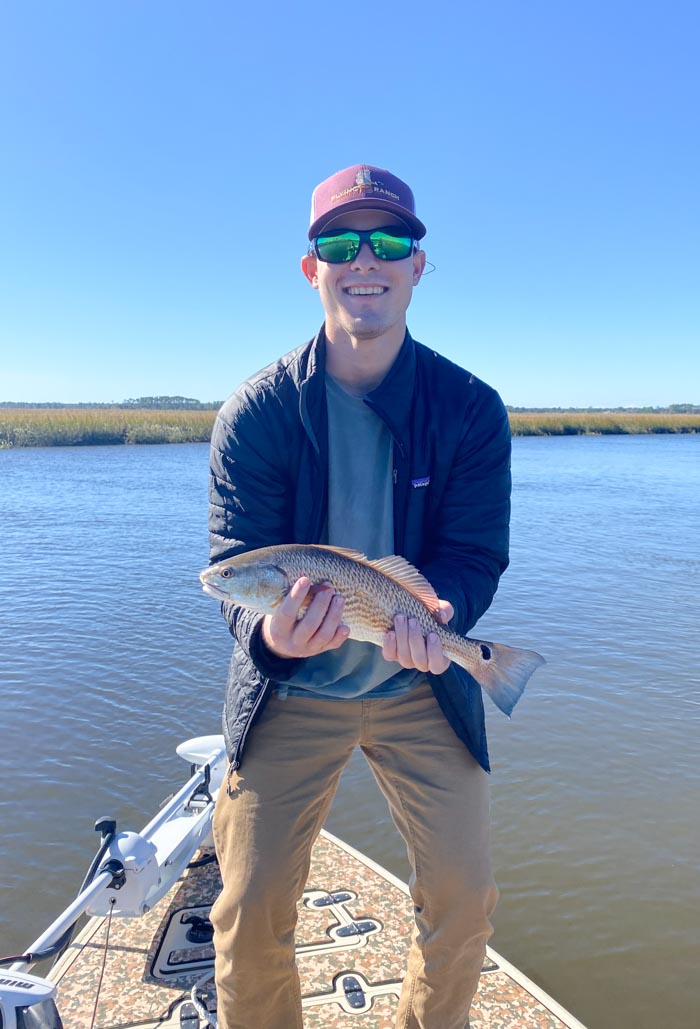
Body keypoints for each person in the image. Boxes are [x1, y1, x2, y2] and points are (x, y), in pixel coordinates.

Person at [207, 164, 511, 1029]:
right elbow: (234, 568)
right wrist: (270, 641)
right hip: (289, 690)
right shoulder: (256, 412)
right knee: (248, 909)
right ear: (314, 268)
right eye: (341, 243)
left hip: (425, 684)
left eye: (390, 241)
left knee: (462, 898)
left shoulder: (471, 409)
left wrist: (444, 614)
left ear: (419, 265)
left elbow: (474, 555)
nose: (365, 260)